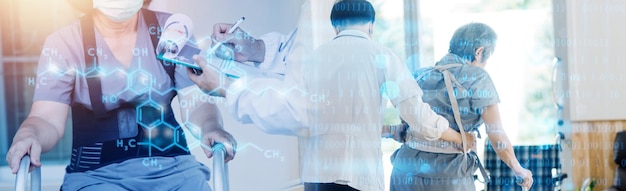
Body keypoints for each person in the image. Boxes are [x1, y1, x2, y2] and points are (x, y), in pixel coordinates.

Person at [189, 0, 474, 190]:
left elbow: (316, 111)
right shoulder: (383, 56)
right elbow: (420, 118)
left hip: (317, 177)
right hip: (359, 179)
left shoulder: (314, 58)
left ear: (335, 26)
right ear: (371, 25)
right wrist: (460, 138)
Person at [5, 0, 236, 190]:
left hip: (176, 171)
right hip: (96, 177)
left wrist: (211, 127)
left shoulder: (171, 30)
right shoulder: (64, 42)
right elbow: (46, 118)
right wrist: (28, 135)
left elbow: (196, 102)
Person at [388, 23, 534, 191]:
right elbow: (496, 133)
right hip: (449, 177)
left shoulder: (419, 75)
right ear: (479, 52)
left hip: (403, 172)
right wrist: (518, 169)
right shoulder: (478, 77)